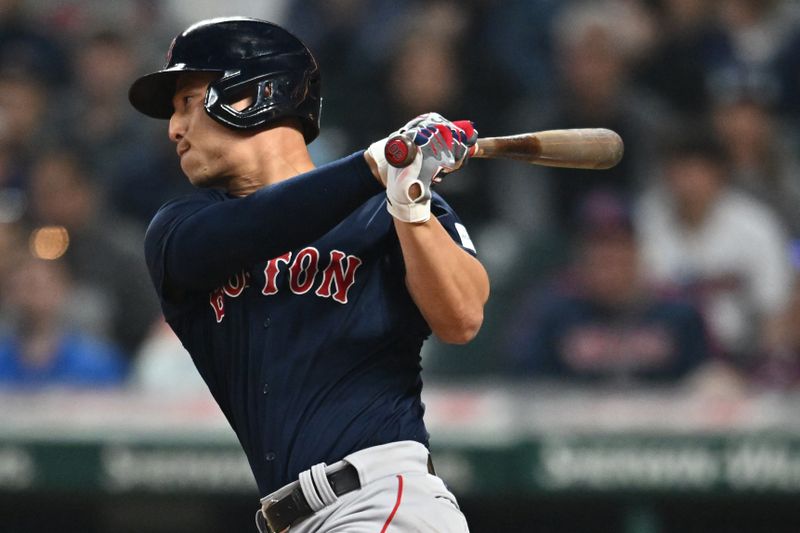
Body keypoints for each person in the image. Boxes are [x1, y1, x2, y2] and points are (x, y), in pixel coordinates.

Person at [128, 16, 488, 533]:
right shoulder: (178, 231)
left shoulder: (385, 204)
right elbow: (264, 223)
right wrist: (377, 165)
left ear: (250, 94)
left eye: (187, 102)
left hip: (381, 500)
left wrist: (410, 200)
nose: (174, 129)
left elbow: (463, 317)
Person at [504, 190, 716, 385]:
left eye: (618, 244)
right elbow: (525, 382)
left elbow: (711, 372)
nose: (608, 255)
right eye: (597, 245)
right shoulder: (550, 310)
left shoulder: (677, 310)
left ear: (636, 251)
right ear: (580, 254)